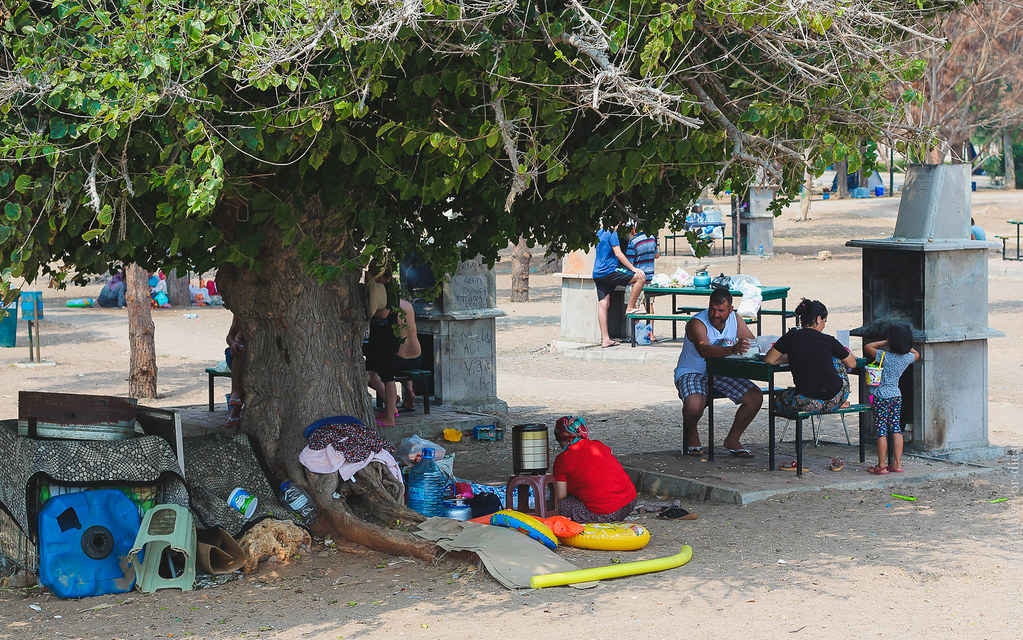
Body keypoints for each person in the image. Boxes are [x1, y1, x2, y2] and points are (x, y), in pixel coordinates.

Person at [673, 288, 763, 458]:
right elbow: (703, 349)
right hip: (692, 371)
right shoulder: (696, 323)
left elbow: (752, 342)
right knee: (694, 405)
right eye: (712, 309)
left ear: (730, 309)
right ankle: (692, 433)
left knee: (755, 397)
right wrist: (732, 349)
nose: (715, 314)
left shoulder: (736, 319)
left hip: (721, 372)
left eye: (721, 310)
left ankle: (733, 439)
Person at [763, 299, 857, 417]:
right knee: (835, 358)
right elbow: (852, 363)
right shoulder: (828, 340)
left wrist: (793, 355)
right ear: (818, 319)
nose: (824, 326)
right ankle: (835, 403)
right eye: (824, 321)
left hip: (807, 402)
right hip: (836, 398)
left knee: (778, 398)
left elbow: (769, 360)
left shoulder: (790, 337)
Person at [552, 416, 638, 523]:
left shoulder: (563, 459)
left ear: (562, 438)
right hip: (629, 502)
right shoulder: (599, 445)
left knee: (558, 505)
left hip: (605, 512)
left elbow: (560, 494)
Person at [863, 323, 919, 474]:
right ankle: (897, 464)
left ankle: (881, 465)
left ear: (892, 341)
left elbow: (868, 347)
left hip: (880, 396)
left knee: (881, 430)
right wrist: (907, 345)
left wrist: (884, 342)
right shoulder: (906, 358)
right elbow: (917, 354)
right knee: (896, 429)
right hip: (896, 395)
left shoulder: (885, 356)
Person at [592, 225, 646, 348]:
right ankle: (630, 308)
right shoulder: (612, 232)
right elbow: (618, 253)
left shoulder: (599, 231)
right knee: (640, 277)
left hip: (597, 272)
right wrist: (633, 269)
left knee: (603, 304)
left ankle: (605, 339)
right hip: (609, 270)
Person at [365, 270, 400, 427]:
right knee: (370, 374)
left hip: (387, 338)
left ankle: (390, 417)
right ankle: (391, 404)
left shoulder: (392, 291)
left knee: (388, 378)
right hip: (376, 337)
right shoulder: (380, 288)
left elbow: (384, 314)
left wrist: (368, 310)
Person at [625, 225, 660, 340]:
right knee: (649, 305)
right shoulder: (651, 239)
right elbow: (657, 255)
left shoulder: (633, 242)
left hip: (637, 279)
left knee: (635, 306)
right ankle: (651, 334)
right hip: (649, 277)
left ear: (634, 229)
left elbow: (629, 262)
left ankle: (636, 334)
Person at [394, 299, 422, 412]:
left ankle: (391, 397)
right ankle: (409, 391)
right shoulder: (408, 305)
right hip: (417, 357)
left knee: (370, 373)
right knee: (404, 367)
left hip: (398, 359)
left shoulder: (388, 307)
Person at [225, 314, 247, 428]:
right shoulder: (240, 314)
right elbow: (229, 337)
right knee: (241, 351)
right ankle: (235, 393)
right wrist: (233, 344)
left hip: (253, 357)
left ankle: (236, 410)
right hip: (236, 355)